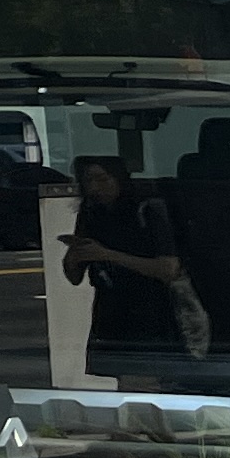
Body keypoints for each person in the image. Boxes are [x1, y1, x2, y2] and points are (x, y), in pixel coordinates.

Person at [63, 154, 201, 360]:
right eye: (88, 181)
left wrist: (107, 255)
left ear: (118, 178)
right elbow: (74, 277)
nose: (95, 188)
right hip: (110, 312)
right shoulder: (91, 212)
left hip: (152, 310)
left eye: (102, 179)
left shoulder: (147, 209)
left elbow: (168, 269)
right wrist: (75, 255)